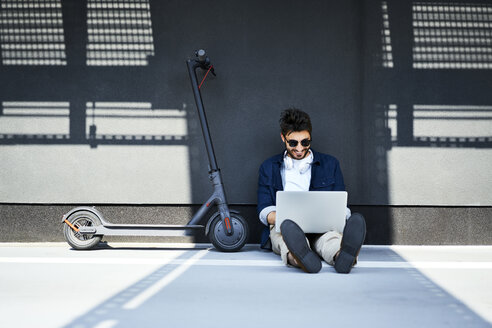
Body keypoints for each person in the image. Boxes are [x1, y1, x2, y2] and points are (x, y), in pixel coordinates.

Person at [257, 108, 366, 273]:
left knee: (331, 239)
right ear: (283, 138)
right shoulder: (268, 167)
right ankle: (300, 257)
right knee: (285, 240)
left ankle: (342, 256)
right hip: (287, 227)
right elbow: (265, 211)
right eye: (293, 143)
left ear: (310, 138)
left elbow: (342, 207)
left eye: (305, 142)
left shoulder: (331, 164)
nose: (299, 148)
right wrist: (288, 221)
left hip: (322, 226)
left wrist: (338, 217)